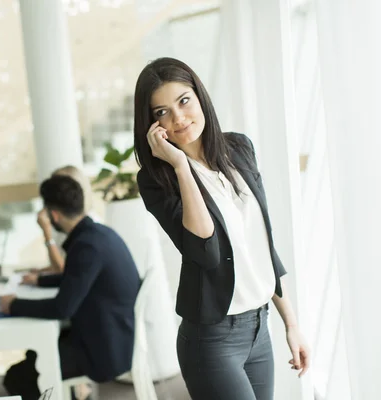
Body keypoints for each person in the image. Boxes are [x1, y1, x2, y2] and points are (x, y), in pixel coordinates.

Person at [133, 57, 311, 400]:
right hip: (212, 340)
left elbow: (262, 246)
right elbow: (205, 249)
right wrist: (181, 165)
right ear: (152, 124)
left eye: (184, 101)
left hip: (260, 330)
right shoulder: (157, 179)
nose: (178, 118)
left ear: (200, 96)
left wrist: (291, 323)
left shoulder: (239, 148)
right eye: (162, 112)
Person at [0, 175, 140, 399]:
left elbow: (62, 309)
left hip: (102, 352)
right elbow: (79, 278)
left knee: (17, 377)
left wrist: (13, 305)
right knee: (33, 355)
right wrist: (40, 280)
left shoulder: (86, 246)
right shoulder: (98, 234)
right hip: (111, 338)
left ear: (53, 215)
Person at [26, 165, 97, 279]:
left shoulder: (88, 226)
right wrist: (41, 272)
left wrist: (47, 233)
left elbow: (63, 270)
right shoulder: (65, 224)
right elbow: (68, 265)